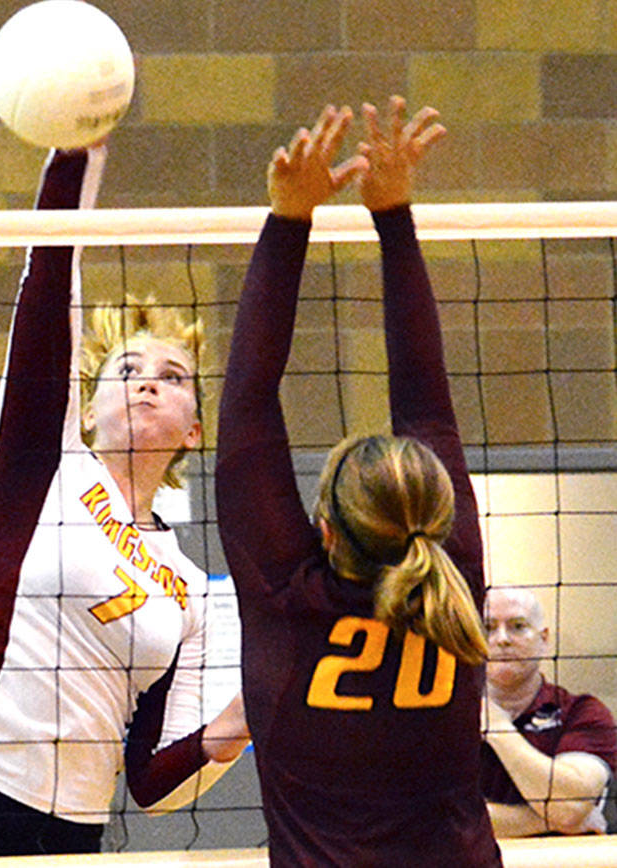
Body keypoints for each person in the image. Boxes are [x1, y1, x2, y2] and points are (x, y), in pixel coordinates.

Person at [0, 140, 247, 860]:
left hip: (69, 836)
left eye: (173, 375)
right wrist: (76, 158)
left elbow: (153, 780)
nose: (148, 381)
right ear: (90, 407)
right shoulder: (53, 467)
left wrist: (247, 716)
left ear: (193, 428)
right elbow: (46, 294)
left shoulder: (190, 590)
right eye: (128, 368)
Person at [215, 97, 503, 866]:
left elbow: (249, 397)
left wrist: (291, 217)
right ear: (438, 512)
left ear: (328, 530)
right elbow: (425, 399)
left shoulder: (290, 594)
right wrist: (392, 214)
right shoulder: (457, 575)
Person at [481, 586, 617, 835]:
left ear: (543, 639)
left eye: (518, 626)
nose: (502, 639)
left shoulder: (582, 713)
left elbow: (568, 810)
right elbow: (433, 820)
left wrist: (498, 728)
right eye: (488, 628)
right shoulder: (446, 718)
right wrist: (543, 820)